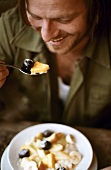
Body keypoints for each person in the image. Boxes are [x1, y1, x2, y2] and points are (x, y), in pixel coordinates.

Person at [0, 0, 111, 128]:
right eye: (36, 17)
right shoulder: (11, 26)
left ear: (97, 10)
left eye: (64, 19)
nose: (46, 35)